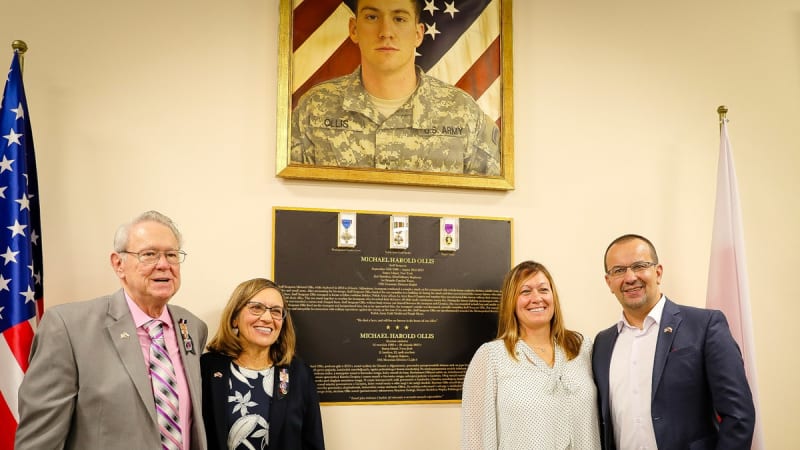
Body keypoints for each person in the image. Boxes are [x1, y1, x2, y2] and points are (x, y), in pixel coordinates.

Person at [15, 210, 208, 450]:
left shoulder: (192, 327)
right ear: (119, 264)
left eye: (171, 254)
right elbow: (38, 442)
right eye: (149, 254)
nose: (163, 265)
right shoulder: (68, 327)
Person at [290, 0, 501, 175]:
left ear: (418, 34)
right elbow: (290, 198)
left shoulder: (463, 114)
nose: (386, 32)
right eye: (372, 17)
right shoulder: (315, 108)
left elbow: (488, 208)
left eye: (399, 19)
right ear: (354, 29)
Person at [592, 234, 755, 449]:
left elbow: (739, 416)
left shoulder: (705, 326)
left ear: (658, 272)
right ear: (609, 282)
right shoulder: (602, 344)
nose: (630, 277)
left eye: (640, 266)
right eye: (619, 270)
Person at [461, 261, 601, 449]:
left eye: (543, 290)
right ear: (511, 301)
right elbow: (475, 439)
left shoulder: (582, 348)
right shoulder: (491, 357)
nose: (536, 298)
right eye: (525, 292)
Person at [201, 278, 325, 450]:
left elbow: (313, 442)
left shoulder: (298, 373)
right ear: (235, 317)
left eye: (276, 311)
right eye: (256, 308)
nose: (267, 318)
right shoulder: (207, 369)